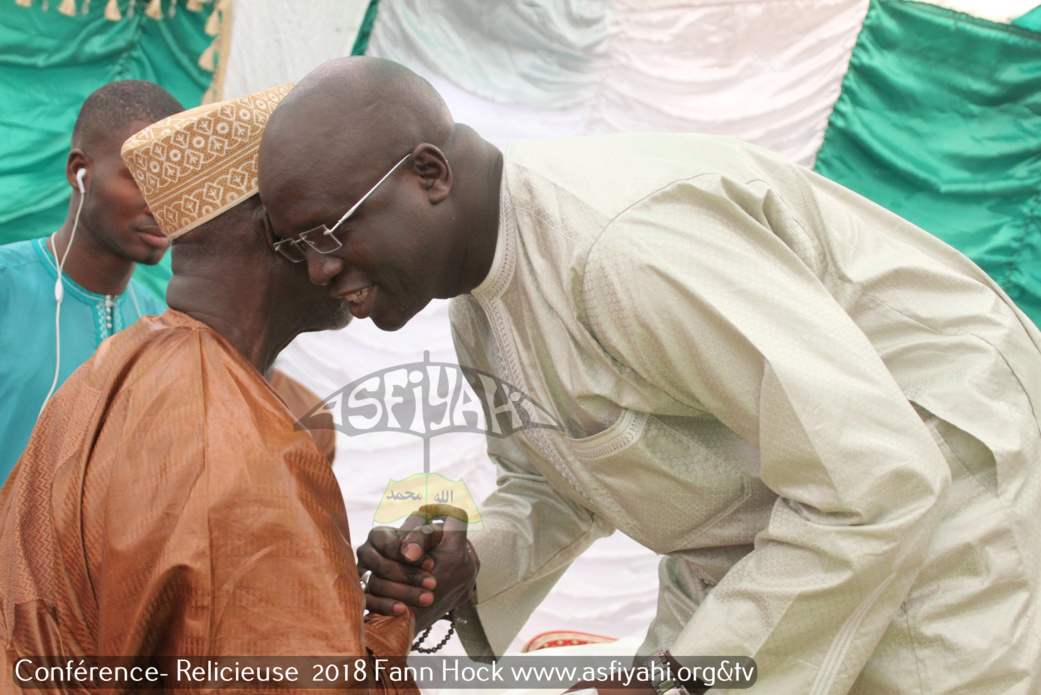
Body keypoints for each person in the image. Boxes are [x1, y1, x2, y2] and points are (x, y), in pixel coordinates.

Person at [257, 57, 1041, 694]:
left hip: (950, 504)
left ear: (429, 174)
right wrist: (470, 562)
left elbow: (876, 479)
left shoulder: (620, 247)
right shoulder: (479, 303)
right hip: (780, 541)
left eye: (329, 231)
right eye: (296, 247)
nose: (319, 270)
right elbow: (562, 483)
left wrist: (676, 679)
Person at [0, 84, 417, 694]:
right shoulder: (246, 458)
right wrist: (402, 619)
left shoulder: (115, 365)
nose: (355, 251)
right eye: (337, 222)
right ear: (280, 232)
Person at [0, 80, 179, 481]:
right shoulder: (6, 286)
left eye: (176, 182)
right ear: (79, 171)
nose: (165, 204)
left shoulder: (159, 326)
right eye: (144, 177)